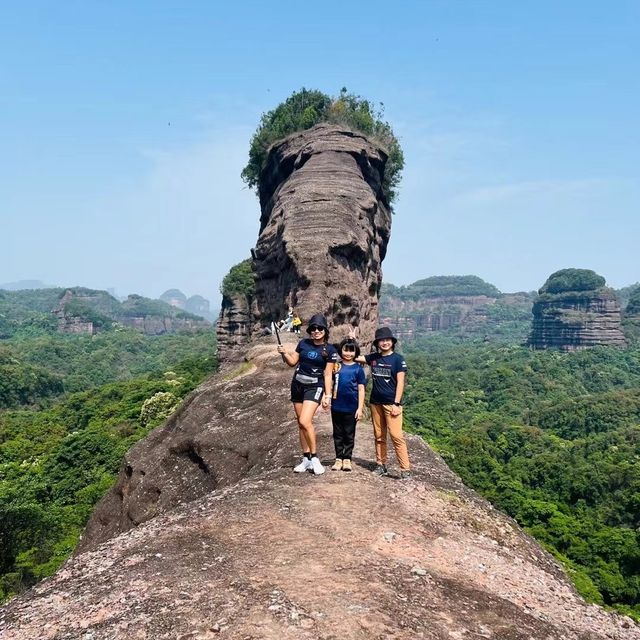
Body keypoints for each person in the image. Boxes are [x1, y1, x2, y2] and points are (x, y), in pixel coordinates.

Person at [277, 314, 338, 475]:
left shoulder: (330, 350)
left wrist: (327, 395)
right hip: (298, 385)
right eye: (313, 328)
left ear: (325, 330)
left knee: (306, 420)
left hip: (314, 386)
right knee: (300, 424)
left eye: (319, 328)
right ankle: (306, 459)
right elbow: (292, 362)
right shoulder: (303, 343)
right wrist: (284, 353)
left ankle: (315, 458)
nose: (316, 331)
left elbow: (327, 374)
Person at [356, 327, 412, 479]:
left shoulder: (398, 359)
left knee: (396, 436)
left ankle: (405, 469)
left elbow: (401, 383)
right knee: (379, 435)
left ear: (392, 342)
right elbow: (355, 357)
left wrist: (397, 403)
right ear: (378, 343)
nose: (385, 343)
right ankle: (381, 465)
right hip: (375, 402)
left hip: (391, 404)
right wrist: (351, 340)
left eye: (387, 340)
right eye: (382, 340)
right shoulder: (374, 358)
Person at [329, 338, 367, 472]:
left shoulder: (358, 369)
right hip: (336, 405)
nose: (348, 353)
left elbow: (362, 389)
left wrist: (360, 408)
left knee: (349, 434)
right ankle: (338, 458)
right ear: (340, 350)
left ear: (356, 352)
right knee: (337, 433)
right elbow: (329, 381)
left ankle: (347, 459)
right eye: (346, 350)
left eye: (352, 351)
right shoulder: (336, 366)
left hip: (351, 407)